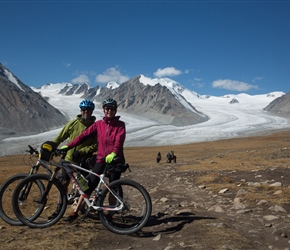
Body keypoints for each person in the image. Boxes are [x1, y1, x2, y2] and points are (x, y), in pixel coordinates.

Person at [61, 97, 126, 222]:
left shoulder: (120, 125)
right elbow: (83, 136)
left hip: (115, 159)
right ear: (103, 110)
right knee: (89, 185)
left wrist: (113, 153)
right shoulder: (99, 124)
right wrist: (68, 146)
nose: (109, 111)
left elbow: (119, 140)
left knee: (112, 186)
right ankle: (75, 212)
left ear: (115, 110)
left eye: (112, 109)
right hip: (101, 159)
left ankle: (111, 214)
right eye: (107, 108)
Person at [48, 99, 98, 220]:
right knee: (63, 184)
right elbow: (60, 136)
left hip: (83, 161)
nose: (86, 112)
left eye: (89, 110)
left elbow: (96, 144)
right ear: (81, 111)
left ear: (92, 112)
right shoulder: (73, 124)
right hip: (69, 159)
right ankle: (59, 209)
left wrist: (82, 151)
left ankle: (81, 208)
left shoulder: (95, 127)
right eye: (84, 110)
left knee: (83, 186)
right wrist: (51, 147)